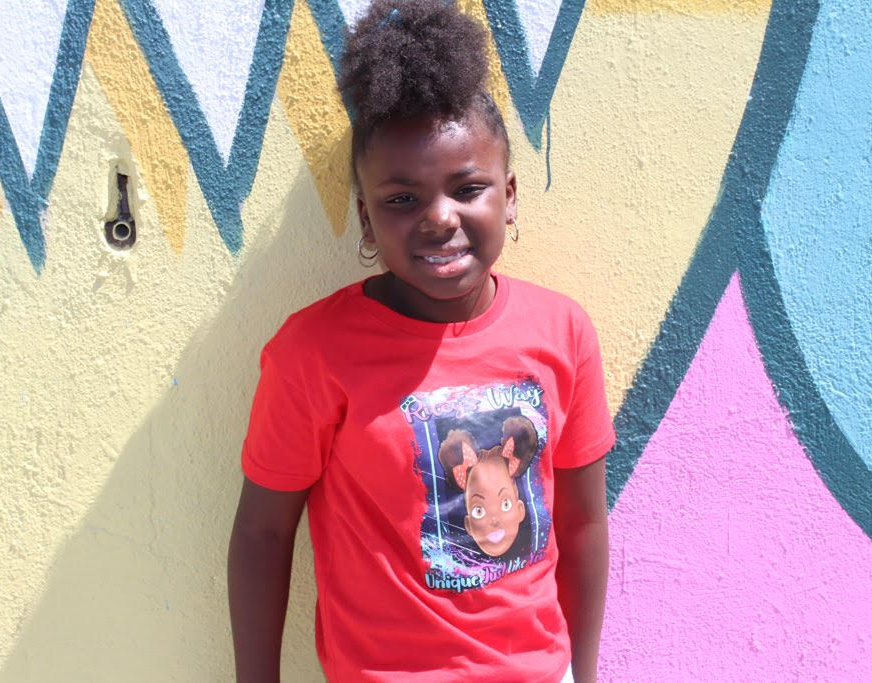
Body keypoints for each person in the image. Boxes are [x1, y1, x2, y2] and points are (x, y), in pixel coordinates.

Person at [228, 1, 615, 681]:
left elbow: (583, 524)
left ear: (510, 195)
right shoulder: (313, 353)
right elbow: (263, 533)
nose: (439, 218)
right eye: (402, 199)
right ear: (366, 218)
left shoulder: (563, 333)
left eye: (468, 188)